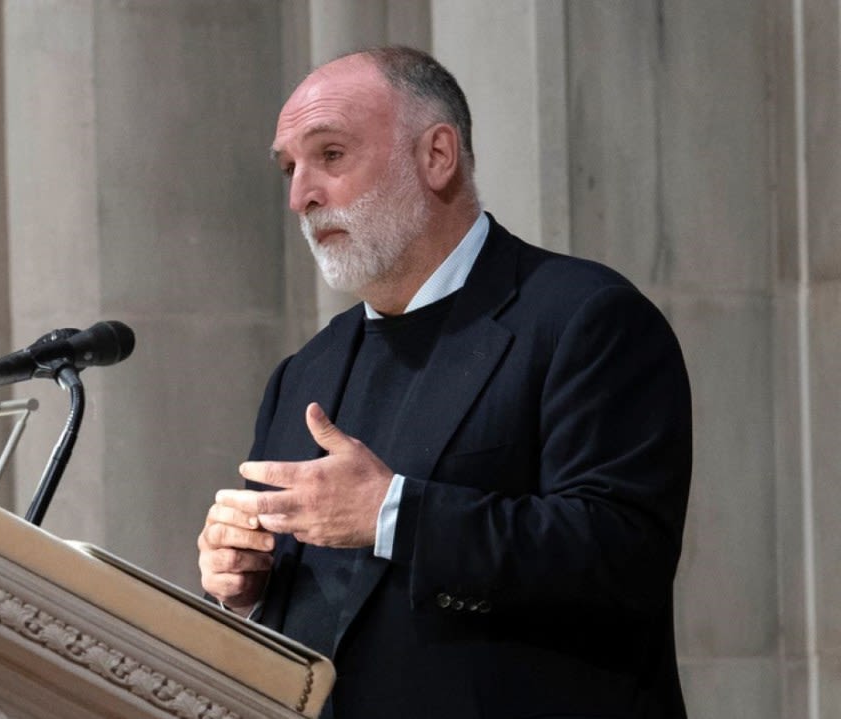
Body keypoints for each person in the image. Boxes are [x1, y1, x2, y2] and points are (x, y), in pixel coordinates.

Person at [197, 46, 691, 718]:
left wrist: (392, 514)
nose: (301, 196)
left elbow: (620, 557)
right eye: (290, 168)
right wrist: (242, 587)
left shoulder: (583, 318)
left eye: (331, 155)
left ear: (437, 156)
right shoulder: (302, 374)